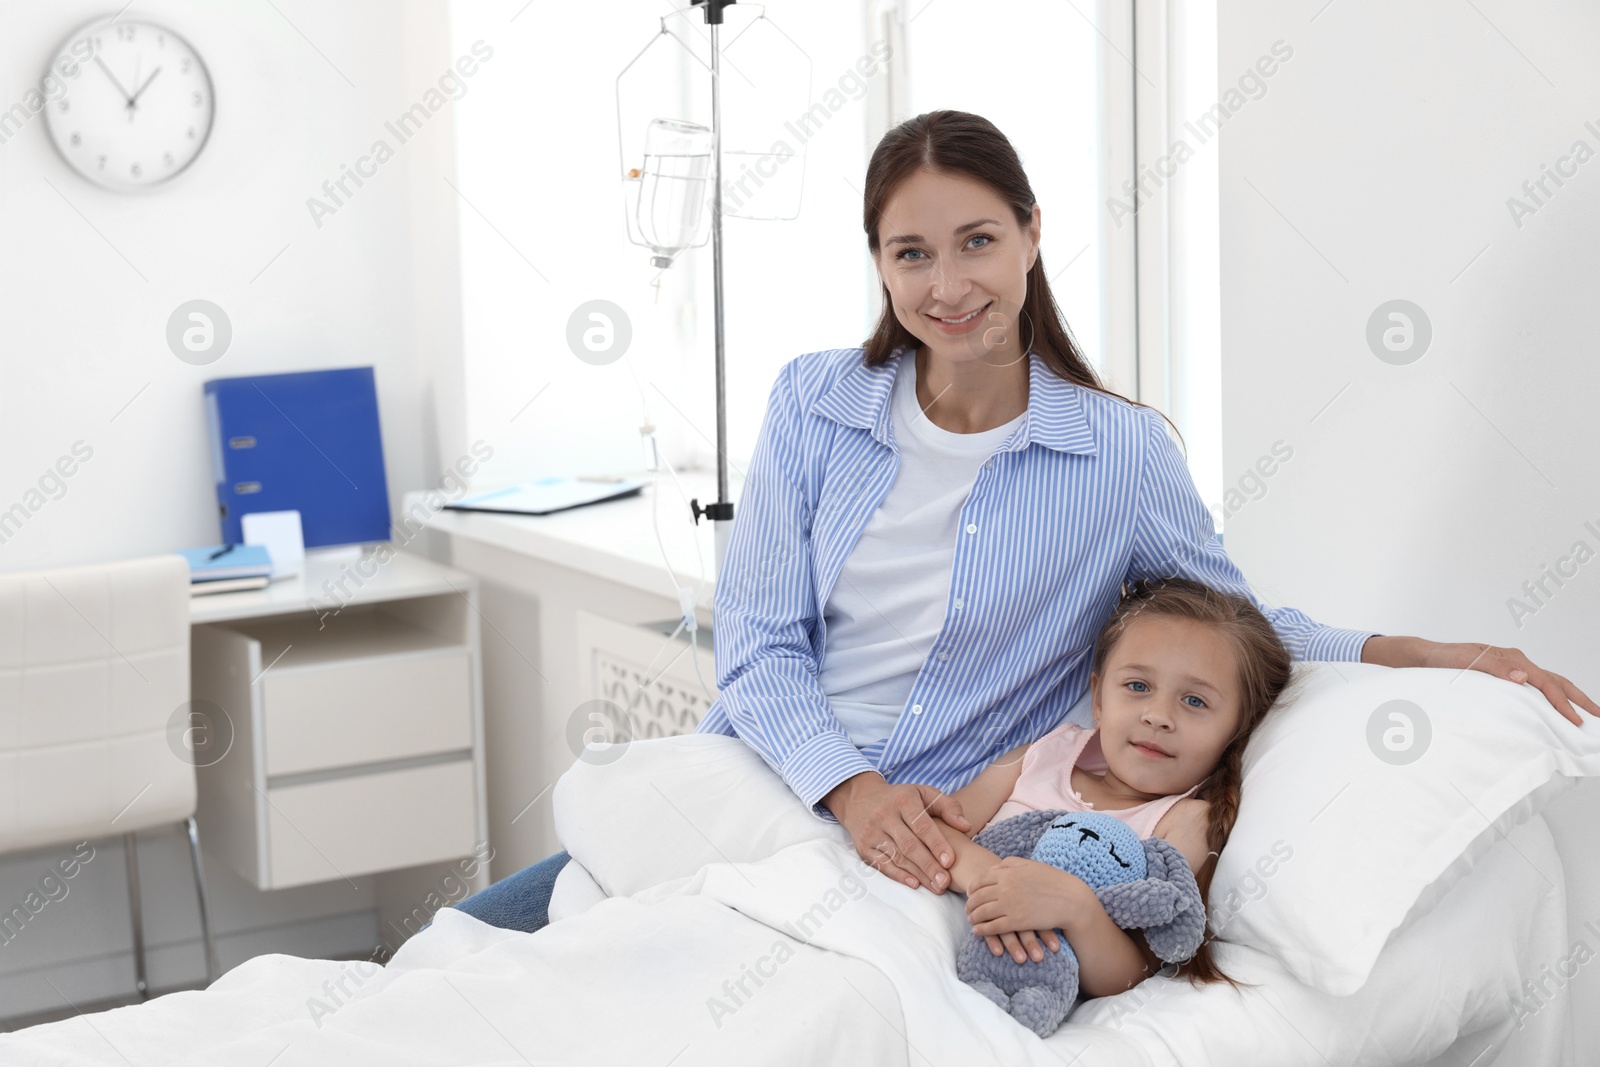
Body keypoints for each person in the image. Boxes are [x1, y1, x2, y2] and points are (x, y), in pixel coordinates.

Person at [452, 109, 1597, 934]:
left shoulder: (1116, 453)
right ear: (879, 264)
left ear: (1032, 232)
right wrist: (849, 790)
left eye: (976, 241)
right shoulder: (813, 402)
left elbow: (1239, 627)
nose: (947, 284)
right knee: (468, 950)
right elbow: (757, 643)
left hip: (939, 836)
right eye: (911, 252)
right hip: (766, 779)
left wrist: (1436, 652)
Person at [940, 574, 1289, 997]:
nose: (1158, 715)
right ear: (1099, 701)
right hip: (934, 938)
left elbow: (1131, 972)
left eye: (1195, 700)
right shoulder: (1040, 755)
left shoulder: (1183, 821)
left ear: (1237, 731)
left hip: (1028, 983)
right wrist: (999, 882)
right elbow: (938, 829)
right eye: (1138, 686)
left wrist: (1076, 908)